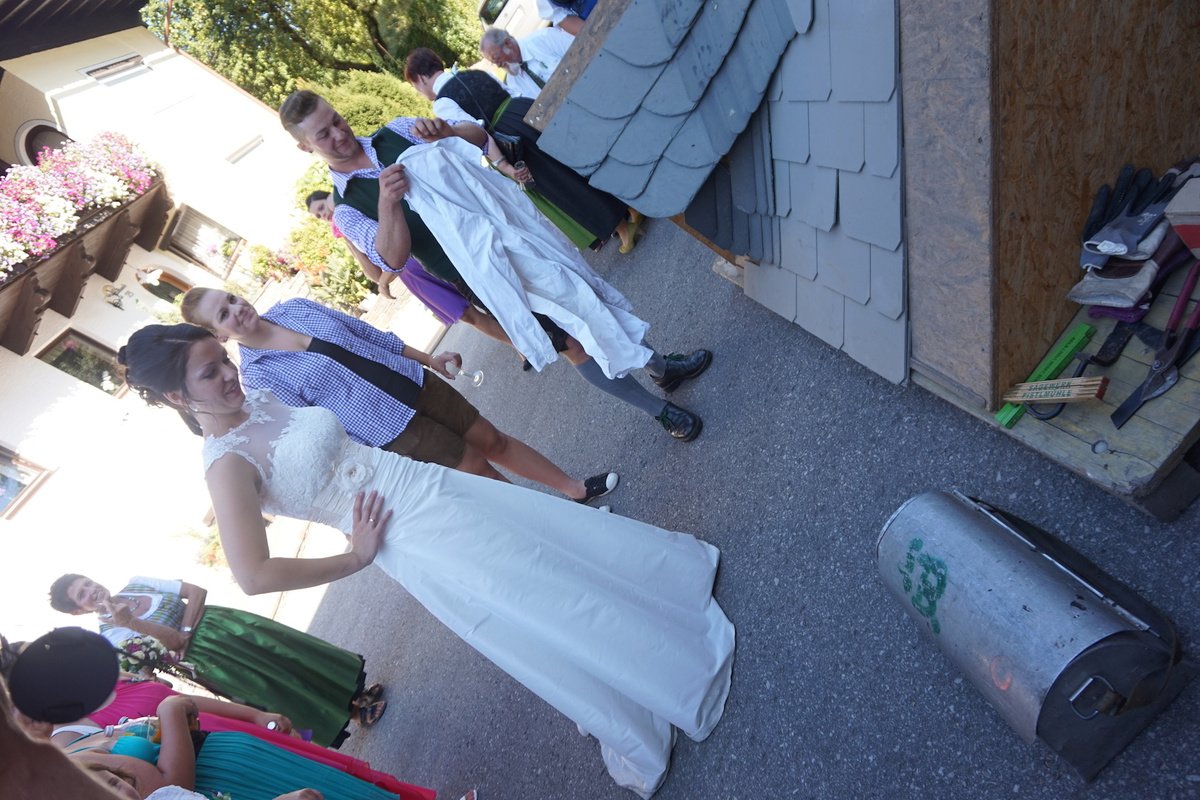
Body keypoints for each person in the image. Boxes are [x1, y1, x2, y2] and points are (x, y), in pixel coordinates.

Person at [118, 323, 735, 798]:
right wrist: (354, 558)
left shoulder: (256, 400)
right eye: (210, 373)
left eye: (223, 359)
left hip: (422, 481)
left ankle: (656, 599)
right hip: (411, 534)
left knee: (544, 549)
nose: (229, 373)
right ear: (176, 395)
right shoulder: (225, 465)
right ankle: (650, 663)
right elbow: (254, 576)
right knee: (535, 592)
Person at [278, 90, 709, 441]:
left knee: (588, 298)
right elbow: (391, 259)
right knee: (573, 344)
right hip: (477, 275)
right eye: (323, 134)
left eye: (337, 120)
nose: (339, 133)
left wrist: (447, 130)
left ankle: (660, 367)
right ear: (304, 147)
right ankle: (658, 410)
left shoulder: (396, 131)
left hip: (511, 233)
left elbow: (476, 139)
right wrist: (389, 204)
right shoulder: (347, 208)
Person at [180, 289, 618, 504]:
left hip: (412, 381)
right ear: (219, 334)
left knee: (494, 440)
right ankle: (570, 526)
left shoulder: (294, 308)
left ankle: (575, 490)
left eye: (232, 298)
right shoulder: (259, 375)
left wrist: (429, 359)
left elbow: (367, 333)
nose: (238, 309)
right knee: (477, 468)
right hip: (388, 429)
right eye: (224, 314)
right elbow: (315, 425)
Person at [48, 573, 385, 746]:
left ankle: (355, 694)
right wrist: (134, 623)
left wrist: (185, 629)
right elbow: (173, 643)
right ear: (79, 610)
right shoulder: (113, 636)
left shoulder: (138, 583)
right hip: (210, 659)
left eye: (87, 583)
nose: (92, 591)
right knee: (275, 686)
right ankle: (351, 714)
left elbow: (196, 593)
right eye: (82, 595)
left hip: (224, 623)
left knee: (293, 655)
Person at [404, 47, 640, 254]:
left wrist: (504, 166)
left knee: (562, 183)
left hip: (508, 137)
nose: (420, 92)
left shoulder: (442, 104)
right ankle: (630, 205)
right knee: (574, 161)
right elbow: (510, 92)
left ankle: (623, 229)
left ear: (420, 78)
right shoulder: (473, 72)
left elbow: (480, 134)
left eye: (415, 87)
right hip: (524, 111)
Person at [305, 190, 526, 364]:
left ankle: (528, 334)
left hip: (416, 258)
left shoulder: (355, 208)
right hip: (412, 277)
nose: (323, 215)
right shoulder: (349, 229)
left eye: (322, 207)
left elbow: (392, 255)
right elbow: (374, 274)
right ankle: (520, 345)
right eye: (318, 215)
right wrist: (348, 240)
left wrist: (384, 283)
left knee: (483, 294)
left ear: (331, 198)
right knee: (467, 314)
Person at [74, 695, 428, 800]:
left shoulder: (78, 742)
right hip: (226, 783)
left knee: (339, 788)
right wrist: (170, 712)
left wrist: (255, 716)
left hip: (236, 753)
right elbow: (168, 787)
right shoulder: (69, 765)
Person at [479, 26, 574, 100]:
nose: (498, 65)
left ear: (508, 43)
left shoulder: (545, 38)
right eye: (494, 62)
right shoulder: (513, 82)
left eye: (497, 59)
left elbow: (581, 50)